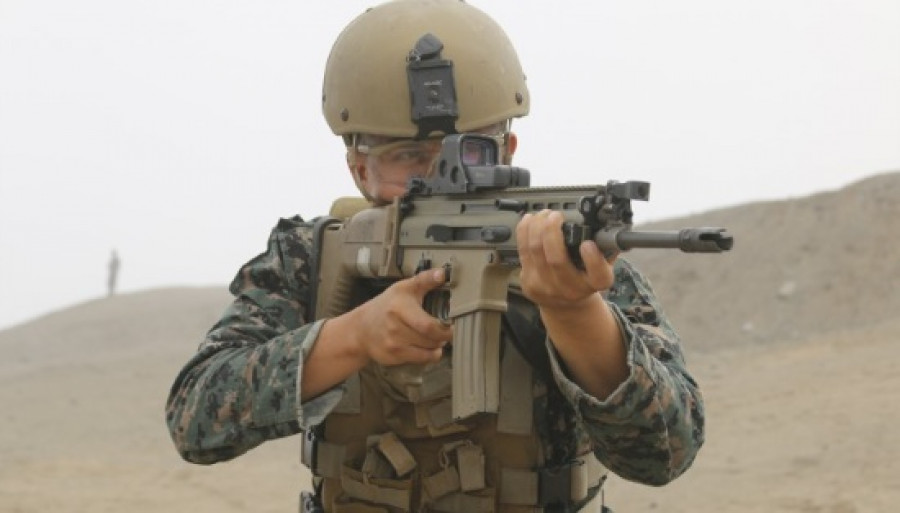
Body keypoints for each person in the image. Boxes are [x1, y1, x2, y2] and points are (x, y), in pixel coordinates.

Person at [165, 1, 704, 511]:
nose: (444, 176)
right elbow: (195, 419)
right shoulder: (310, 260)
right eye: (409, 156)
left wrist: (576, 315)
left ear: (508, 151)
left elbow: (666, 453)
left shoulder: (570, 254)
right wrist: (352, 336)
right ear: (358, 167)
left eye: (471, 150)